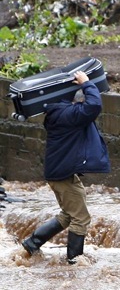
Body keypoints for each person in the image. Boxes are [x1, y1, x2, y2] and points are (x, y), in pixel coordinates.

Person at [21, 71, 111, 264]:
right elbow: (94, 105)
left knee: (68, 215)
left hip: (60, 172)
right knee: (81, 217)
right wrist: (87, 83)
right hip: (62, 174)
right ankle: (74, 261)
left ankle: (32, 244)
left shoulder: (57, 111)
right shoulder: (66, 114)